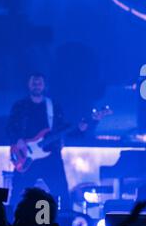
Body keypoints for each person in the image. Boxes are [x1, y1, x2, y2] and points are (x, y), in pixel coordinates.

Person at [6, 72, 89, 210]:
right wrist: (18, 139)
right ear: (28, 85)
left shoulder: (53, 106)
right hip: (26, 157)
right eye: (34, 83)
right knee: (18, 195)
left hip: (51, 158)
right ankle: (13, 225)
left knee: (61, 193)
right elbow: (9, 127)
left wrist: (80, 130)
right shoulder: (20, 106)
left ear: (44, 86)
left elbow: (62, 128)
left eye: (39, 83)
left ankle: (64, 225)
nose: (37, 86)